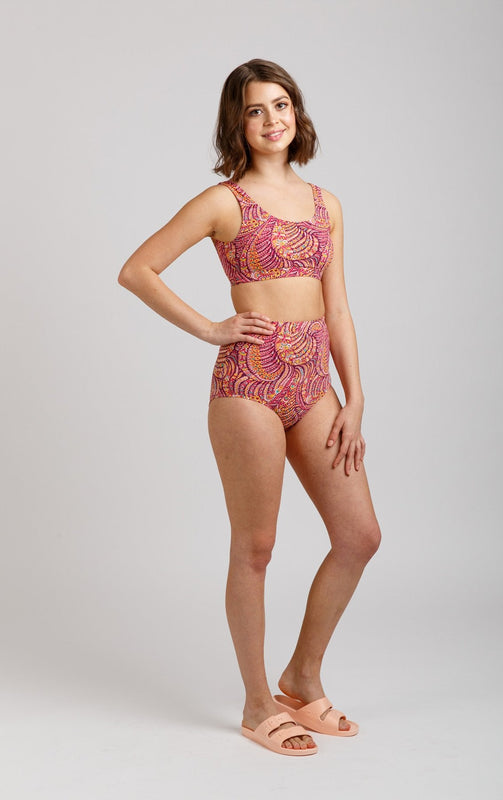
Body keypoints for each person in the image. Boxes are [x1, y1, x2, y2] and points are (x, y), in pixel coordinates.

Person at [118, 58, 382, 757]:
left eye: (281, 105)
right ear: (237, 124)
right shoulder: (223, 202)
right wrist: (211, 328)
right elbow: (137, 269)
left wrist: (355, 397)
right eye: (255, 110)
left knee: (359, 536)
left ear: (297, 113)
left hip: (313, 383)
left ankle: (302, 675)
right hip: (248, 384)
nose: (271, 119)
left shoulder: (326, 204)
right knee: (256, 547)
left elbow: (337, 307)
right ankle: (257, 702)